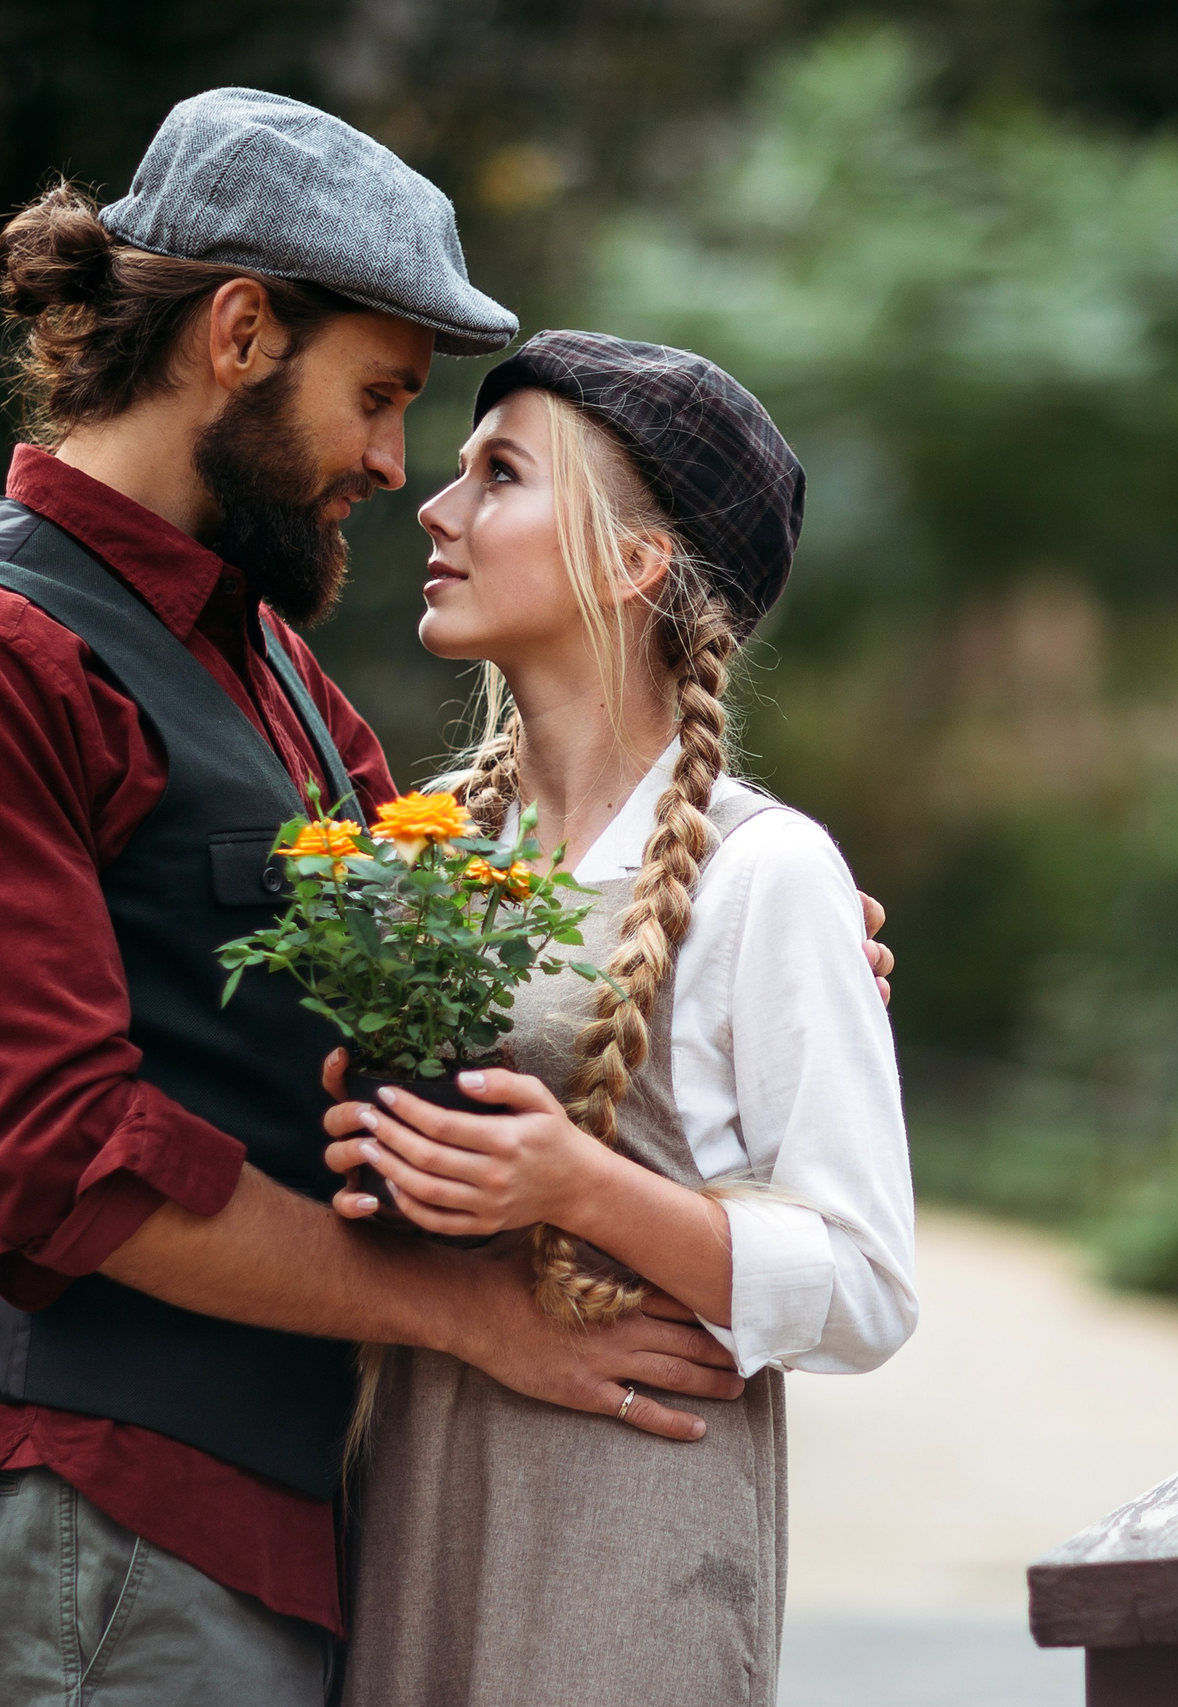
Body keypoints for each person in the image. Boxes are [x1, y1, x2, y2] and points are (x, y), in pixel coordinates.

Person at [0, 92, 893, 1704]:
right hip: (109, 1525)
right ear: (240, 334)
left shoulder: (278, 679)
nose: (397, 470)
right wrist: (471, 1316)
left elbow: (459, 993)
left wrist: (763, 929)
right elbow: (65, 1161)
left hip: (312, 1538)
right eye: (381, 398)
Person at [321, 331, 917, 1707]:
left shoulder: (769, 874)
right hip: (401, 1530)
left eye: (501, 474)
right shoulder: (416, 862)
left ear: (636, 561)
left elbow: (868, 1291)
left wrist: (578, 1185)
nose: (437, 503)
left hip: (629, 1553)